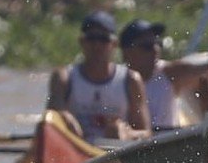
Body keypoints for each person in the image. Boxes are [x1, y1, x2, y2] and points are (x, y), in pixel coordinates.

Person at [47, 11, 150, 141]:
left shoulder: (131, 80)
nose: (97, 45)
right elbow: (49, 122)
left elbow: (146, 133)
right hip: (75, 147)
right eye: (91, 38)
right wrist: (63, 117)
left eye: (103, 39)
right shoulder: (63, 77)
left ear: (114, 44)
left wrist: (127, 135)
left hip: (115, 150)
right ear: (82, 42)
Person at [118, 19, 208, 132]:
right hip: (130, 143)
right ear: (126, 52)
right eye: (147, 46)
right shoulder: (117, 79)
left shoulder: (169, 73)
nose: (155, 50)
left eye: (158, 43)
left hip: (166, 142)